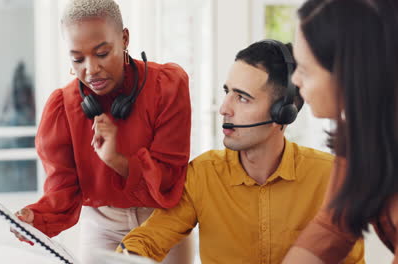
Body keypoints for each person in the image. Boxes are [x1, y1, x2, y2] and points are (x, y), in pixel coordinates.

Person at [117, 40, 364, 264]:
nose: (224, 109)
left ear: (283, 113)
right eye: (227, 92)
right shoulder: (203, 174)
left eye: (242, 98)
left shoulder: (329, 176)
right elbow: (148, 240)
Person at [10, 0, 194, 263]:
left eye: (102, 53)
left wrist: (117, 161)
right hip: (103, 225)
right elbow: (63, 190)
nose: (91, 69)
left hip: (163, 219)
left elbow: (168, 178)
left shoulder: (167, 87)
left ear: (124, 38)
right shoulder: (63, 106)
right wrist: (34, 217)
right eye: (77, 58)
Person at [282, 0, 398, 263]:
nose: (295, 81)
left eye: (305, 70)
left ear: (351, 75)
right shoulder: (363, 136)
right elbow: (333, 227)